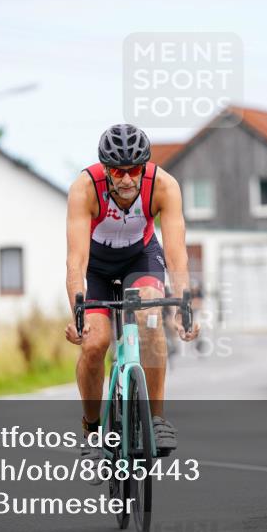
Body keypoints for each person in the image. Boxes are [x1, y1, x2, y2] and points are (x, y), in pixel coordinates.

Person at [64, 124, 200, 473]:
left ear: (145, 167)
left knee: (150, 317)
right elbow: (76, 260)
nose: (126, 179)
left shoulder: (164, 186)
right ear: (105, 170)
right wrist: (77, 311)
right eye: (117, 171)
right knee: (95, 344)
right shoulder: (85, 187)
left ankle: (156, 419)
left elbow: (176, 255)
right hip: (95, 266)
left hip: (140, 259)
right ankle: (93, 432)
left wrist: (183, 306)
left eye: (134, 170)